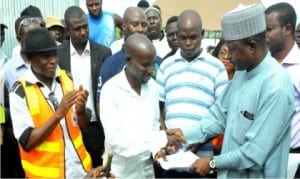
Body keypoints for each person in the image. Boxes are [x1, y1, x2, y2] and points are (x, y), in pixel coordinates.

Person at [167, 4, 295, 178]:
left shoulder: (276, 86)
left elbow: (254, 153)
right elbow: (218, 116)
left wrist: (213, 162)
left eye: (233, 50)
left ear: (252, 46)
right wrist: (185, 133)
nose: (229, 57)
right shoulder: (242, 72)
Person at [9, 27, 92, 178]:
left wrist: (81, 111)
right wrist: (59, 113)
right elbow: (27, 142)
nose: (53, 61)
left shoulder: (67, 78)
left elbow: (83, 125)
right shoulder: (20, 92)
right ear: (28, 58)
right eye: (45, 57)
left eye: (55, 55)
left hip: (80, 172)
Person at [156, 9, 228, 178]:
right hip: (171, 160)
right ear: (176, 36)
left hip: (202, 161)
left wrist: (198, 141)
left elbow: (222, 115)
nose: (188, 42)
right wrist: (166, 138)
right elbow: (158, 110)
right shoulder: (166, 66)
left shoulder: (217, 68)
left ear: (202, 35)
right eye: (183, 37)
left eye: (193, 37)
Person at [99, 33, 168, 178]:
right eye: (144, 65)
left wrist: (157, 150)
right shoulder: (111, 90)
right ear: (128, 60)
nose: (150, 70)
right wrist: (161, 139)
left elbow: (154, 126)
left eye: (152, 63)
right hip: (119, 172)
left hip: (147, 170)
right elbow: (117, 142)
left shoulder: (153, 88)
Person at [57, 6, 112, 168]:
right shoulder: (58, 55)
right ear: (67, 30)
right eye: (77, 29)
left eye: (85, 26)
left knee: (97, 170)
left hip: (95, 128)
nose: (83, 32)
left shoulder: (103, 53)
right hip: (69, 128)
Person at [96, 7, 163, 112]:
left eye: (144, 25)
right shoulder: (110, 64)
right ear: (124, 26)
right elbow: (101, 104)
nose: (140, 29)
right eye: (135, 25)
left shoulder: (159, 63)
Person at [265, 3, 300, 177]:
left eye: (269, 29)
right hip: (260, 157)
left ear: (287, 29)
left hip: (291, 160)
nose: (264, 35)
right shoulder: (262, 66)